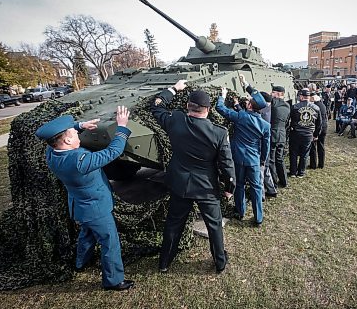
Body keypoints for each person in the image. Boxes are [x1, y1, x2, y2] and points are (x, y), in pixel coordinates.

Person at [35, 107, 134, 291]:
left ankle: (81, 262)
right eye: (74, 133)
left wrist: (79, 125)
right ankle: (113, 281)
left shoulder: (51, 153)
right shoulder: (80, 160)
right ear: (67, 139)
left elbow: (58, 135)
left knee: (87, 235)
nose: (77, 134)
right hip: (96, 208)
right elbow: (112, 152)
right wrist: (121, 127)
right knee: (110, 242)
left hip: (80, 205)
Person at [151, 80, 235, 273]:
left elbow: (156, 106)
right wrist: (230, 187)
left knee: (173, 224)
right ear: (208, 109)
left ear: (188, 106)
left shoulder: (175, 120)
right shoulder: (219, 133)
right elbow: (226, 164)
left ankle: (164, 263)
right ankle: (220, 262)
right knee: (214, 227)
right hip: (206, 187)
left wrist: (174, 89)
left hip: (180, 184)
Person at [216, 75, 270, 227]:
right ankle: (258, 218)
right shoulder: (265, 126)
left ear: (250, 106)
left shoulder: (240, 116)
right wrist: (262, 160)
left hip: (238, 158)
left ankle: (240, 212)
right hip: (253, 159)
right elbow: (266, 146)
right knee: (256, 188)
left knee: (239, 185)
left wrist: (222, 96)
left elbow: (220, 109)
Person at [288, 88, 321, 178]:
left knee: (293, 153)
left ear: (301, 97)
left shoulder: (294, 107)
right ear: (309, 97)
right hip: (308, 134)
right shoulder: (316, 108)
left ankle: (293, 172)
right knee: (305, 154)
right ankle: (301, 172)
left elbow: (289, 120)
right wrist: (315, 135)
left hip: (295, 133)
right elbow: (319, 124)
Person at [269, 85, 291, 188]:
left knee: (272, 160)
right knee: (280, 159)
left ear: (278, 94)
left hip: (273, 135)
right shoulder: (287, 106)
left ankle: (274, 183)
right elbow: (286, 122)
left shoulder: (274, 103)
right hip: (282, 135)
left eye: (273, 92)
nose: (271, 94)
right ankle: (284, 181)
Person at [309, 91, 328, 169]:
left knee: (313, 146)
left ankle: (313, 164)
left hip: (317, 128)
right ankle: (321, 164)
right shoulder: (322, 105)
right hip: (324, 127)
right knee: (321, 146)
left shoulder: (314, 107)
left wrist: (315, 133)